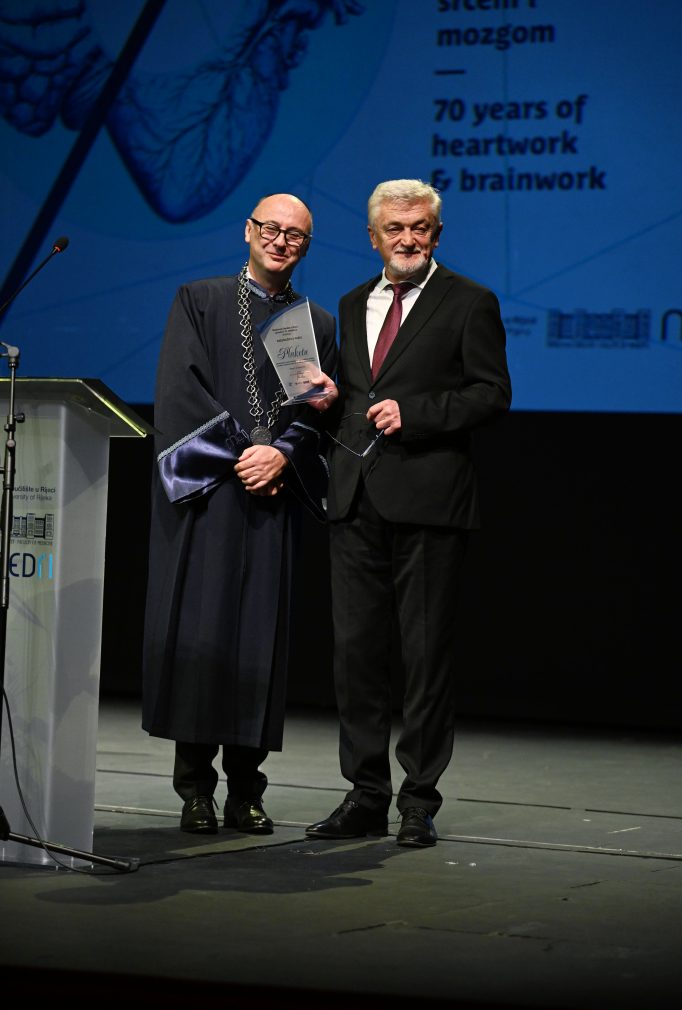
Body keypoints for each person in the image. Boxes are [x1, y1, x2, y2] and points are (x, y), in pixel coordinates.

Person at [307, 179, 512, 847]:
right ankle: (365, 795)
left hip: (429, 500)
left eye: (419, 227)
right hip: (354, 498)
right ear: (373, 237)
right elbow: (357, 398)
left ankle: (418, 800)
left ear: (436, 233)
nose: (408, 238)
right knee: (355, 657)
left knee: (424, 659)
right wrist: (330, 400)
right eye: (394, 228)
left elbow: (491, 393)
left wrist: (417, 414)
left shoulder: (469, 301)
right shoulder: (350, 303)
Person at [142, 193, 337, 835]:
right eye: (270, 229)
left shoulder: (314, 324)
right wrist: (242, 455)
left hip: (272, 497)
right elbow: (179, 390)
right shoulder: (199, 301)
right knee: (201, 635)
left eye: (295, 235)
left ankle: (247, 790)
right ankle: (196, 789)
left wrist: (281, 454)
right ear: (247, 232)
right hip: (211, 496)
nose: (280, 241)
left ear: (305, 247)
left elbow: (313, 411)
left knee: (259, 639)